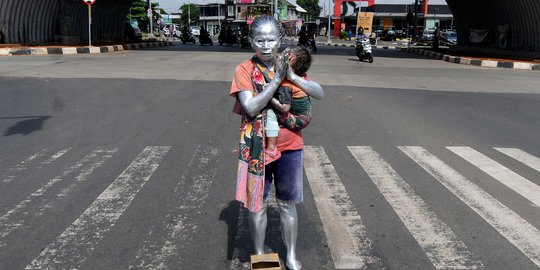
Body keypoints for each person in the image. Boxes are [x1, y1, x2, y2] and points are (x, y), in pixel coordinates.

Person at [229, 16, 324, 270]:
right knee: (257, 205)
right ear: (251, 42)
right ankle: (260, 255)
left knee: (287, 204)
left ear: (280, 40)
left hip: (290, 146)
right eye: (260, 40)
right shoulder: (244, 70)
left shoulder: (288, 64)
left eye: (272, 39)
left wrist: (291, 75)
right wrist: (275, 80)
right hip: (257, 148)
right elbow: (250, 106)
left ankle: (291, 255)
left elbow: (319, 92)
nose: (266, 45)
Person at [265, 46, 314, 165]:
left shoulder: (286, 85)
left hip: (298, 120)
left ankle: (271, 149)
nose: (275, 63)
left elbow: (285, 108)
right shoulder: (301, 77)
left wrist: (269, 96)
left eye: (281, 60)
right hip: (306, 115)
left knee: (270, 113)